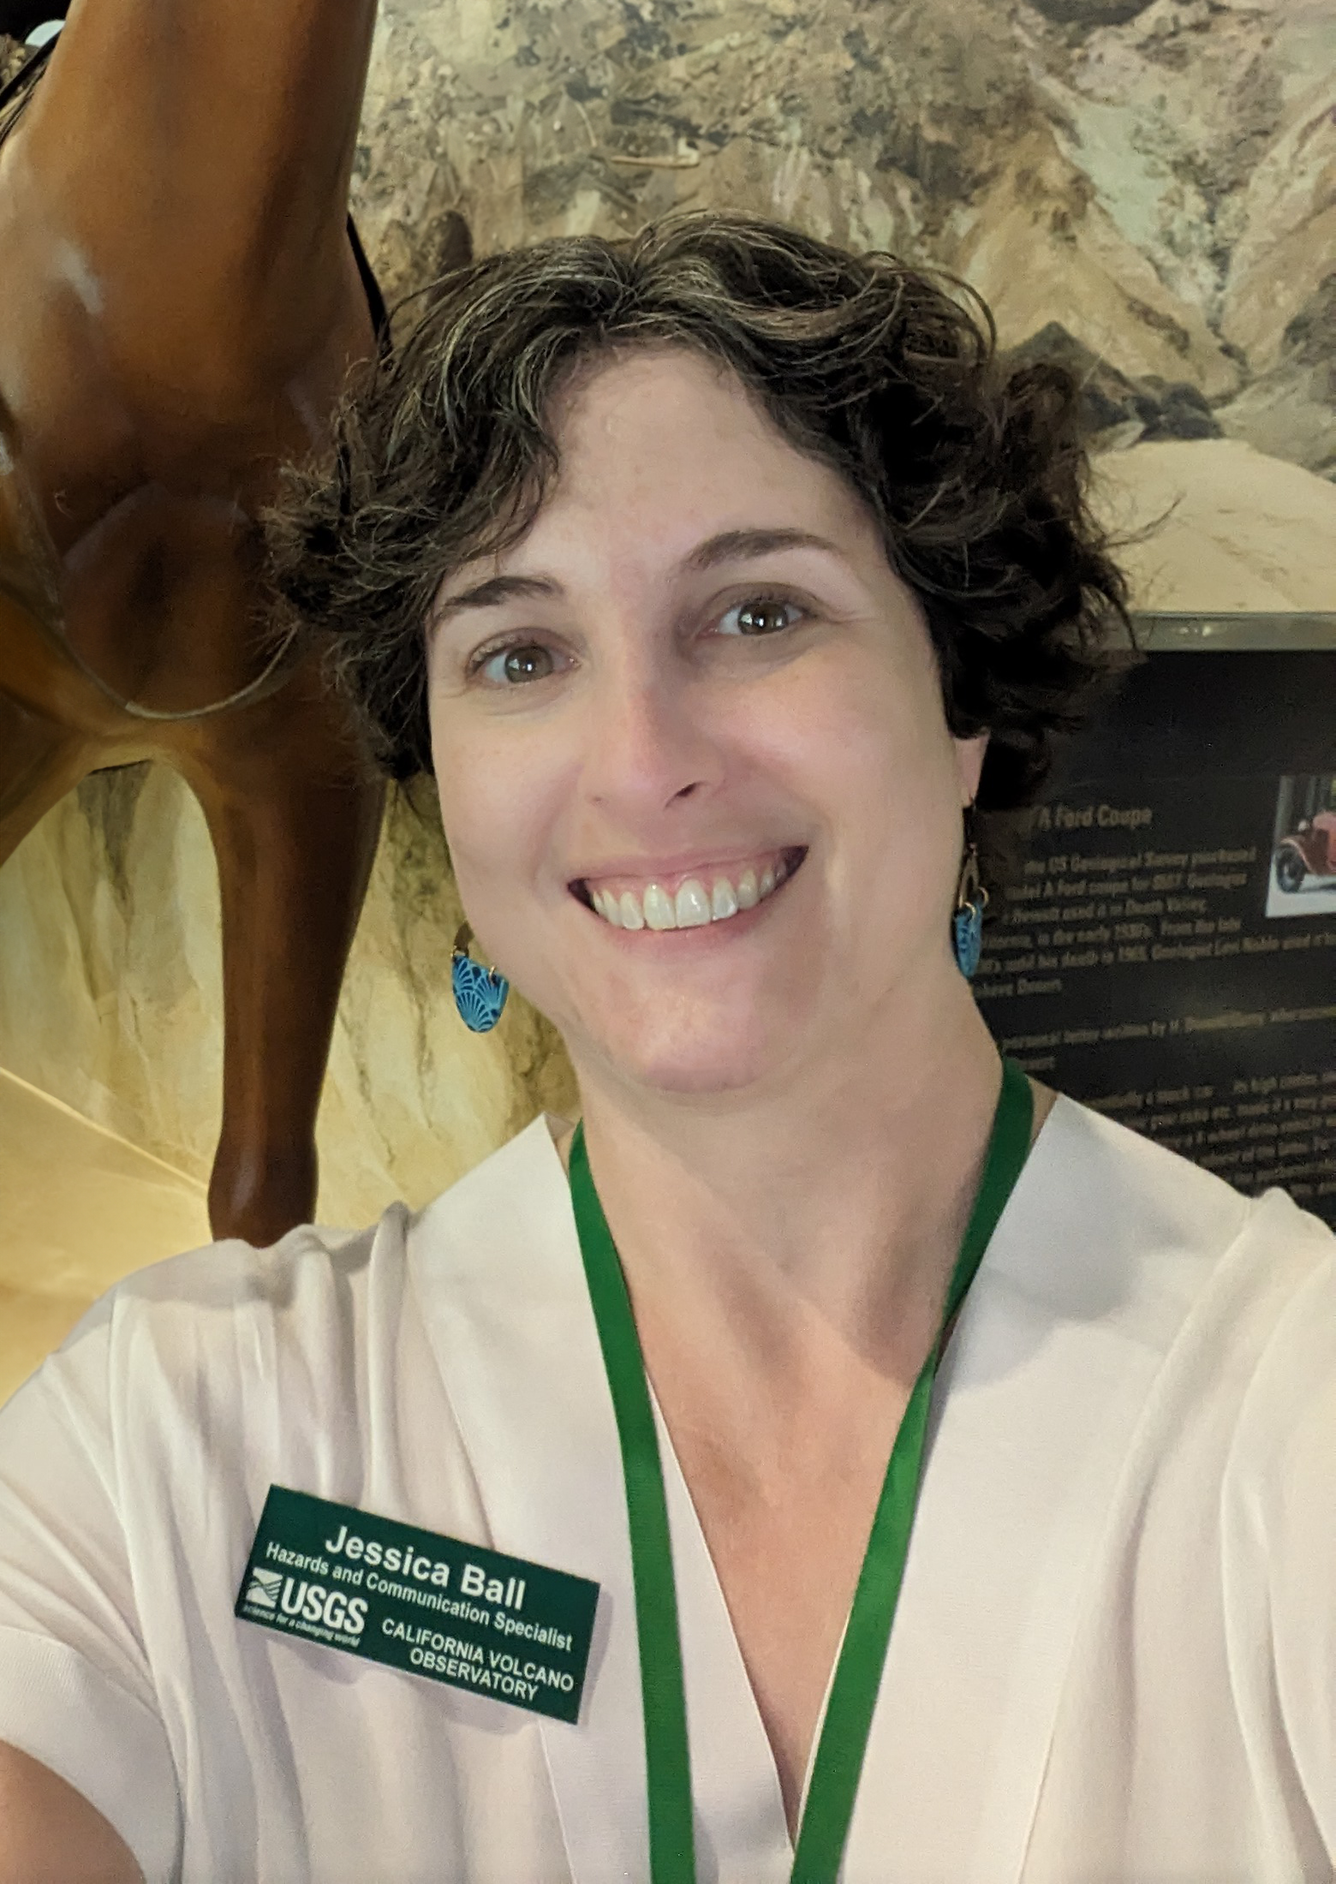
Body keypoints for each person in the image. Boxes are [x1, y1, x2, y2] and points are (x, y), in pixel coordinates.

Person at [1, 213, 1333, 1884]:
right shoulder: (171, 1441)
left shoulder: (1293, 1412)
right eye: (520, 651)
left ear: (964, 697)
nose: (642, 762)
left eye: (761, 612)